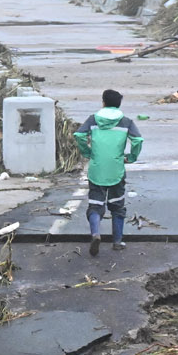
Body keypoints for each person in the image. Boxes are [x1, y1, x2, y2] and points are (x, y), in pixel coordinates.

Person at [72, 89, 144, 257]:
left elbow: (79, 135)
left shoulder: (93, 119)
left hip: (97, 169)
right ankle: (117, 242)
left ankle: (96, 234)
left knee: (95, 205)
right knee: (117, 206)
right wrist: (131, 157)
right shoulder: (126, 122)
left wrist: (87, 152)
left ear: (103, 102)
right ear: (119, 104)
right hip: (116, 169)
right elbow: (138, 140)